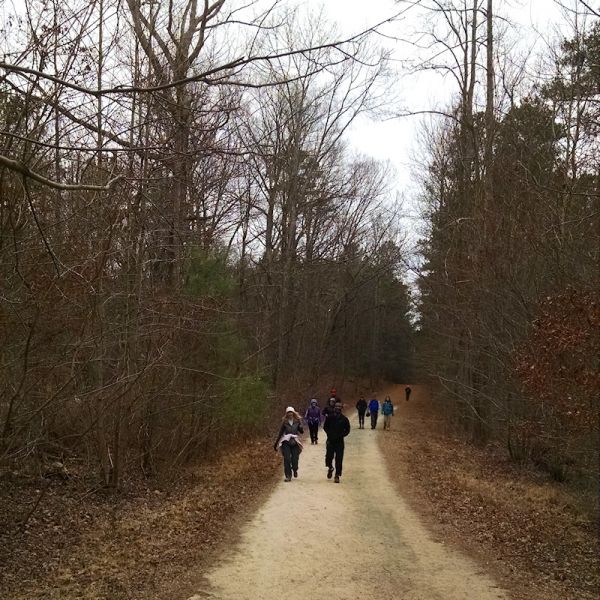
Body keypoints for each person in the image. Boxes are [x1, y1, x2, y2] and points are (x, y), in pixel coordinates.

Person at [273, 407, 304, 482]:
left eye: (291, 412)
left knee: (294, 459)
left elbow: (301, 432)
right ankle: (288, 476)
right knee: (287, 459)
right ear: (287, 414)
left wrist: (300, 427)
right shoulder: (285, 422)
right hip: (286, 442)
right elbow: (280, 433)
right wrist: (276, 443)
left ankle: (295, 469)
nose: (290, 414)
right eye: (288, 412)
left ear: (293, 413)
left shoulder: (297, 421)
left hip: (295, 442)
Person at [323, 401, 350, 483]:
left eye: (339, 408)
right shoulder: (329, 418)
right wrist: (329, 434)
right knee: (328, 457)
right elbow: (325, 427)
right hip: (330, 441)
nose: (338, 409)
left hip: (339, 442)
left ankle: (337, 475)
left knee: (339, 459)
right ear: (334, 408)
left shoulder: (344, 419)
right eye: (336, 408)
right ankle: (330, 467)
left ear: (341, 409)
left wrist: (342, 435)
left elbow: (347, 430)